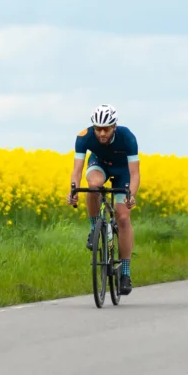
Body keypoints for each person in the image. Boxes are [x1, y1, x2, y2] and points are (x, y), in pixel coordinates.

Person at [66, 104, 140, 295]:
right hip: (99, 165)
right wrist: (73, 191)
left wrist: (131, 195)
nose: (102, 133)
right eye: (98, 128)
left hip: (122, 172)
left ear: (114, 126)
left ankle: (125, 273)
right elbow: (77, 170)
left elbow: (135, 173)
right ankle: (93, 229)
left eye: (106, 128)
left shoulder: (127, 137)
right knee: (93, 185)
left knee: (123, 217)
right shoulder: (84, 137)